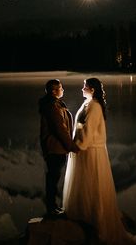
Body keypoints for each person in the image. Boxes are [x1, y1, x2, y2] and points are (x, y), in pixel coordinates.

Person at [63, 78, 136, 244]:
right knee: (86, 185)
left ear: (91, 89)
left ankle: (98, 224)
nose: (82, 89)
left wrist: (78, 145)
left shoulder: (94, 107)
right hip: (86, 151)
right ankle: (85, 218)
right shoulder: (88, 104)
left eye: (84, 86)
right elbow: (82, 127)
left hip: (91, 152)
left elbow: (89, 131)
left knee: (93, 185)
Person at [38, 78, 79, 216]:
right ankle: (51, 208)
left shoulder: (55, 104)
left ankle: (52, 206)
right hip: (55, 148)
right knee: (53, 179)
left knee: (53, 178)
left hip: (56, 147)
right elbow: (59, 128)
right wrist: (72, 146)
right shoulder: (53, 106)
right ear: (54, 91)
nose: (63, 90)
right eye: (60, 88)